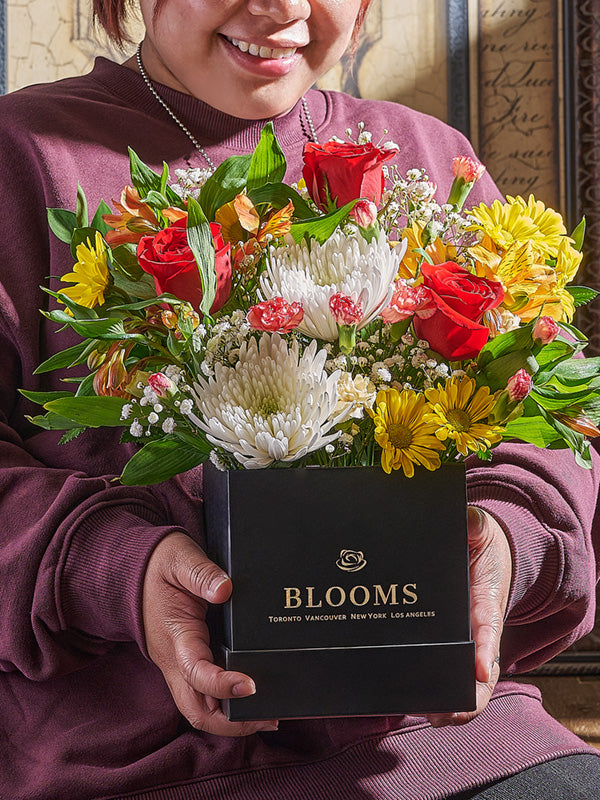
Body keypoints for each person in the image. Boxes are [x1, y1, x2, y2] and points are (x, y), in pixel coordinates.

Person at [0, 1, 598, 798]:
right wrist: (116, 571)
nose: (280, 7)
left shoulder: (425, 155)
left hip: (457, 742)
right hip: (135, 764)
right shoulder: (23, 156)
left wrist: (510, 539)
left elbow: (556, 419)